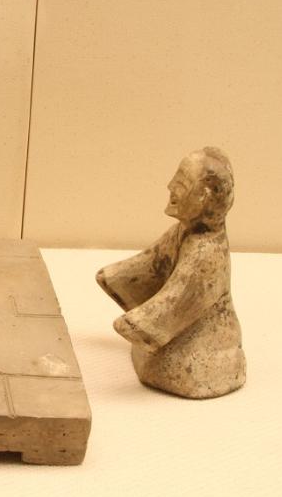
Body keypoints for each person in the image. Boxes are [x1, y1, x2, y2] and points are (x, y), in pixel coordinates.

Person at [96, 147, 245, 398]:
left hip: (207, 349)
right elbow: (152, 262)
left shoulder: (206, 253)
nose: (170, 187)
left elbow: (178, 299)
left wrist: (139, 324)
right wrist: (114, 277)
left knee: (176, 362)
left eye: (181, 183)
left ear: (204, 197)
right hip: (183, 336)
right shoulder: (184, 232)